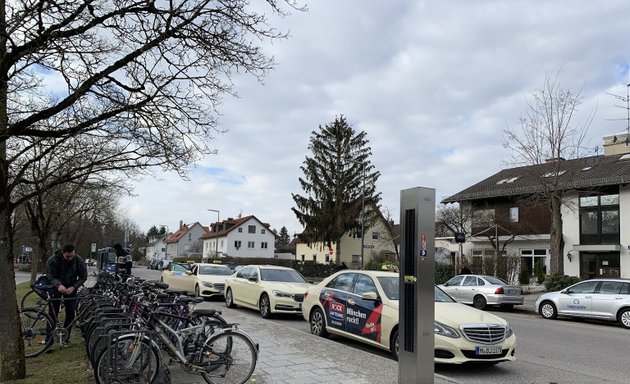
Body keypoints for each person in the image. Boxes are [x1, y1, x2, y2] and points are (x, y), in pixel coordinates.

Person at [45, 243, 88, 346]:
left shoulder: (78, 260)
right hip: (56, 288)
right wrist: (58, 285)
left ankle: (65, 337)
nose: (70, 258)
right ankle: (48, 340)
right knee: (52, 313)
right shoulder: (53, 260)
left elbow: (83, 276)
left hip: (71, 287)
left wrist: (73, 287)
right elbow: (50, 275)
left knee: (70, 313)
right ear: (62, 253)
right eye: (68, 256)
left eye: (72, 256)